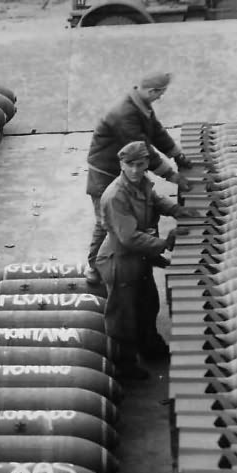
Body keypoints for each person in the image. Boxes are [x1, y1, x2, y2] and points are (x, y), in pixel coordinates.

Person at [95, 140, 197, 378]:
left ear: (146, 164)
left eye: (140, 164)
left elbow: (154, 200)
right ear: (121, 164)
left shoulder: (141, 183)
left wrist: (176, 209)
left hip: (139, 258)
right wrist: (165, 243)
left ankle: (150, 348)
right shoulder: (115, 196)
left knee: (148, 304)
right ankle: (124, 366)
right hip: (119, 261)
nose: (134, 170)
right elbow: (129, 238)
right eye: (129, 165)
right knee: (123, 317)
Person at [85, 72, 194, 286]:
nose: (160, 97)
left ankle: (149, 253)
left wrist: (176, 153)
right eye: (160, 93)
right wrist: (170, 174)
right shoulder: (125, 113)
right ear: (153, 91)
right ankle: (95, 267)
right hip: (105, 174)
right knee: (106, 222)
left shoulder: (140, 105)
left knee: (142, 211)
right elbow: (143, 149)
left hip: (125, 169)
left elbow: (156, 131)